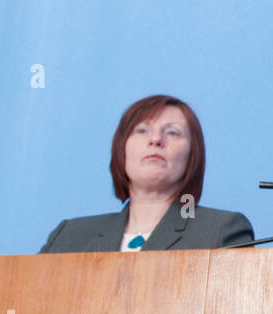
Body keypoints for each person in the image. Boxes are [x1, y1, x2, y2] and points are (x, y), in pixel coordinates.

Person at [40, 95, 253, 252]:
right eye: (142, 130)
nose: (155, 140)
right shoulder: (68, 236)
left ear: (192, 156)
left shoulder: (220, 231)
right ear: (121, 149)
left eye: (172, 132)